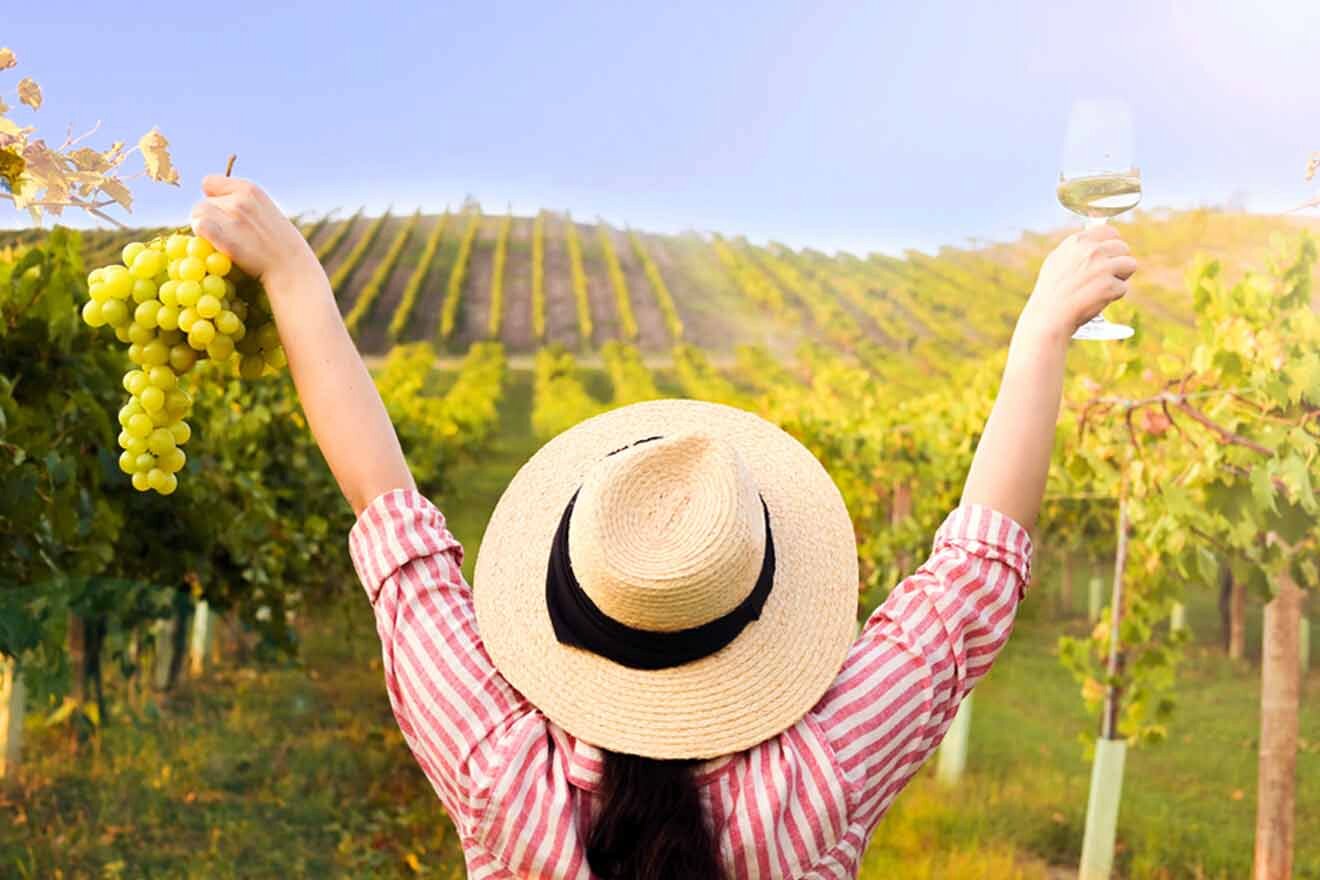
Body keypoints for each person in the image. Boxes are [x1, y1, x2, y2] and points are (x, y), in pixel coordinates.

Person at [189, 176, 1136, 880]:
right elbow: (971, 584)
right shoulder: (816, 781)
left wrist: (297, 277)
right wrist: (1043, 330)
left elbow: (386, 514)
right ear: (757, 611)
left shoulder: (502, 772)